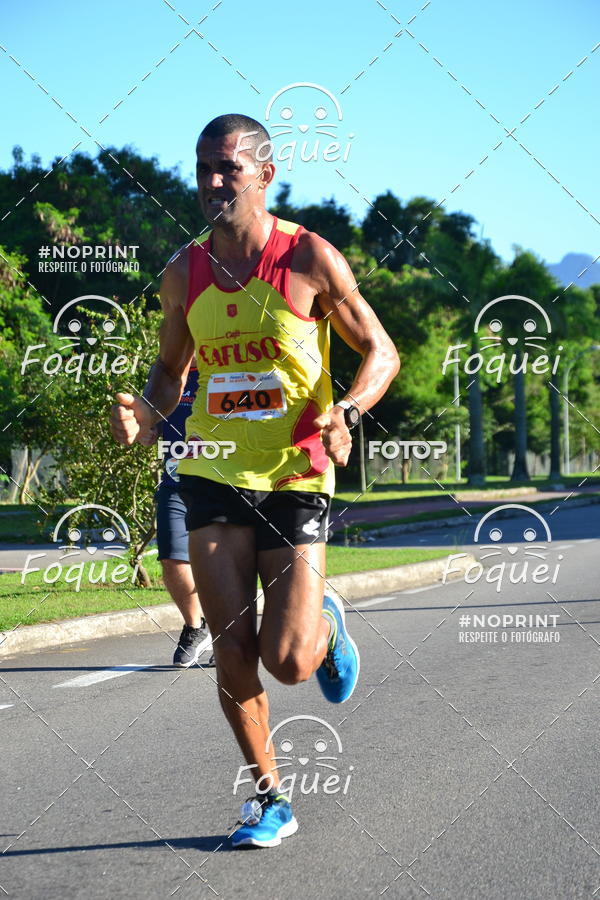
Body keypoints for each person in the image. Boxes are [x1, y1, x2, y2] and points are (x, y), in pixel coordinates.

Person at [110, 113, 399, 848]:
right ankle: (270, 799)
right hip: (212, 469)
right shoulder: (185, 270)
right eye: (203, 168)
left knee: (290, 662)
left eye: (227, 169)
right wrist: (145, 416)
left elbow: (383, 353)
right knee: (232, 646)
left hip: (296, 473)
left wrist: (348, 410)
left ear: (265, 174)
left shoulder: (308, 258)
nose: (211, 183)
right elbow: (172, 373)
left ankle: (324, 625)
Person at [153, 363, 214, 667]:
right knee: (172, 558)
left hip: (222, 482)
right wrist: (144, 427)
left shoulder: (227, 370)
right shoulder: (168, 376)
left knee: (223, 562)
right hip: (175, 482)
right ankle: (195, 626)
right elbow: (150, 421)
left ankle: (229, 630)